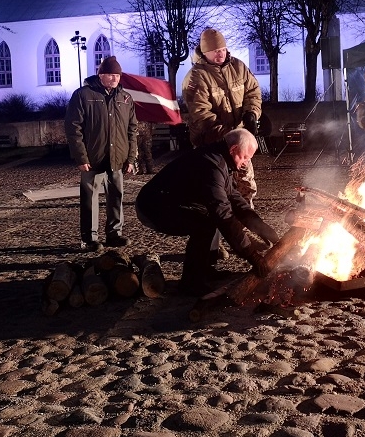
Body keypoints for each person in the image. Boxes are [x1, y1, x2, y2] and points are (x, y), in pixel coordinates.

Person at [135, 128, 278, 296]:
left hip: (170, 202)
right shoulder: (212, 165)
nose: (246, 163)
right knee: (204, 225)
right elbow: (223, 215)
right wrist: (251, 255)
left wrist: (261, 227)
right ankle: (190, 283)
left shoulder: (222, 160)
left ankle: (204, 270)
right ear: (233, 149)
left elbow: (234, 198)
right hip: (153, 207)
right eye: (245, 157)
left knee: (207, 220)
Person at [65, 56, 138, 252]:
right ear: (100, 75)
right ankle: (89, 238)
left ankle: (115, 234)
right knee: (90, 198)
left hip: (118, 157)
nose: (114, 79)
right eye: (110, 75)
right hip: (92, 158)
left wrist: (131, 158)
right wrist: (81, 157)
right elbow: (73, 128)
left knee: (116, 196)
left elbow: (132, 129)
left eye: (117, 75)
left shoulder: (125, 98)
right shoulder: (83, 95)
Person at [182, 28, 262, 206]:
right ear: (205, 52)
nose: (220, 54)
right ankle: (220, 223)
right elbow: (201, 114)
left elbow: (253, 92)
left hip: (238, 139)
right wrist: (229, 136)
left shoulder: (238, 67)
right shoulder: (196, 77)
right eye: (215, 51)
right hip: (211, 142)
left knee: (246, 184)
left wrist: (252, 113)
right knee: (217, 187)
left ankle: (246, 218)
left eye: (222, 49)